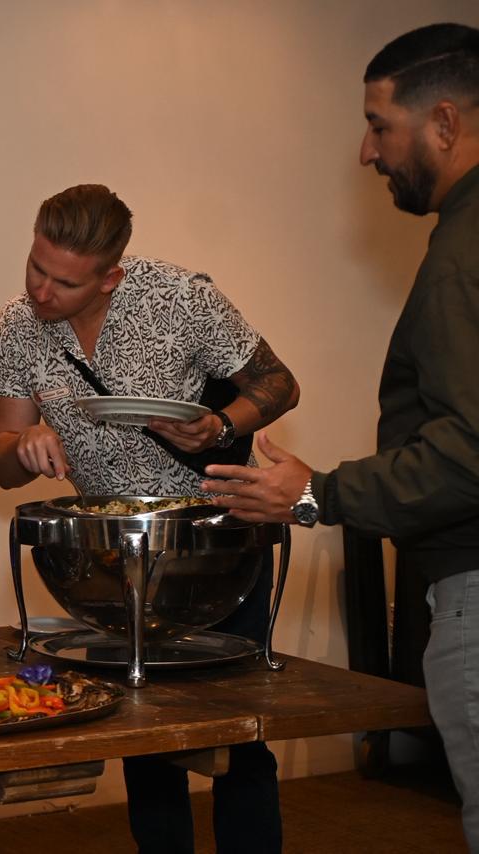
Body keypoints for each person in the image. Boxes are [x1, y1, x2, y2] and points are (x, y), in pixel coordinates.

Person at [201, 23, 479, 851]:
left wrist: (317, 492)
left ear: (444, 125)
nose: (367, 152)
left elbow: (470, 448)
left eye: (378, 124)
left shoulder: (462, 257)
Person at [0, 184, 299, 854]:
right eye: (36, 269)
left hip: (215, 539)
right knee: (144, 737)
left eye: (64, 282)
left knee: (239, 737)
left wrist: (219, 426)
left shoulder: (181, 297)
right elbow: (0, 459)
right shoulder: (16, 328)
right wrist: (25, 444)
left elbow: (277, 383)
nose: (42, 293)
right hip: (116, 550)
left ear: (111, 277)